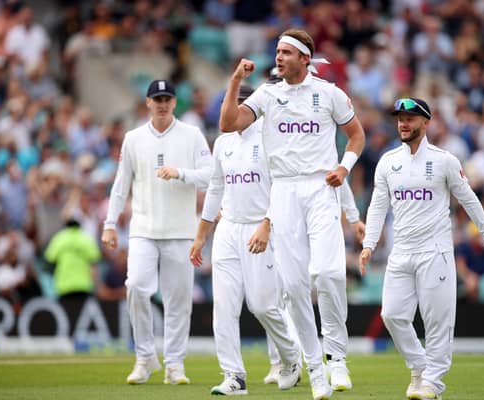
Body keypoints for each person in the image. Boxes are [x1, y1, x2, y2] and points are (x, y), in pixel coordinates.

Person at [219, 28, 366, 400]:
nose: (278, 57)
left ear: (305, 58)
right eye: (277, 51)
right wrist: (237, 80)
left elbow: (356, 137)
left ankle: (336, 356)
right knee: (296, 287)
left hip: (320, 188)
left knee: (329, 273)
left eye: (286, 52)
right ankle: (315, 368)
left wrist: (345, 167)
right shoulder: (268, 94)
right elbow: (228, 124)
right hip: (282, 191)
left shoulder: (329, 94)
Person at [359, 97, 484, 400]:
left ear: (426, 123)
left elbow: (468, 198)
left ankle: (432, 384)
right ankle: (419, 365)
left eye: (410, 118)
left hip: (435, 251)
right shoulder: (388, 162)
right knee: (392, 315)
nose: (403, 123)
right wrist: (369, 244)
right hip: (401, 252)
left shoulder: (444, 161)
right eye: (400, 118)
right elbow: (377, 207)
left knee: (437, 321)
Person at [190, 84, 301, 395]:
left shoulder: (271, 140)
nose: (236, 110)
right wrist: (201, 236)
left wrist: (267, 224)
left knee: (263, 306)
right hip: (228, 229)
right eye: (232, 105)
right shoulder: (223, 142)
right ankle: (233, 376)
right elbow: (215, 188)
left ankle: (291, 359)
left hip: (261, 228)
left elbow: (282, 188)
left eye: (242, 105)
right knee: (223, 307)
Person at [101, 79, 212, 385]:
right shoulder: (133, 138)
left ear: (175, 103)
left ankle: (175, 364)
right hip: (143, 229)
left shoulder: (191, 135)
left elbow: (211, 175)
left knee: (178, 301)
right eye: (157, 99)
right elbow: (121, 184)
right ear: (148, 103)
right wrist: (110, 224)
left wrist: (181, 173)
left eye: (167, 99)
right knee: (136, 286)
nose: (162, 104)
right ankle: (145, 357)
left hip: (181, 231)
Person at [264, 180, 365, 385]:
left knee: (327, 277)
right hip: (284, 225)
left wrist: (353, 217)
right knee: (288, 294)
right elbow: (277, 187)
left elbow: (338, 175)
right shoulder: (272, 152)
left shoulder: (320, 154)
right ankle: (296, 362)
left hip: (319, 220)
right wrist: (267, 221)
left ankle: (335, 359)